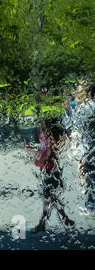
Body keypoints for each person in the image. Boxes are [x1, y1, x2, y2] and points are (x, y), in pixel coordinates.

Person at [27, 118, 75, 234]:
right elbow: (43, 147)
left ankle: (43, 223)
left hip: (52, 170)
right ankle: (63, 219)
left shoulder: (51, 136)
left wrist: (40, 160)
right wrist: (33, 149)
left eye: (44, 122)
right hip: (45, 169)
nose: (41, 124)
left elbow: (50, 153)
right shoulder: (44, 134)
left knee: (48, 196)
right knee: (49, 197)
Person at [63, 82, 94, 215]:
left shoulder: (84, 107)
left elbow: (73, 126)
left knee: (89, 177)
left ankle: (90, 204)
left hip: (88, 150)